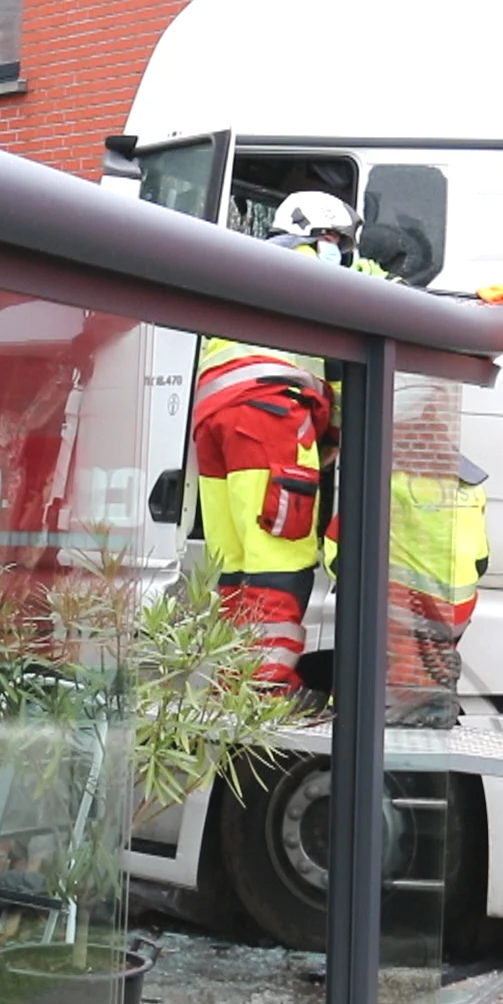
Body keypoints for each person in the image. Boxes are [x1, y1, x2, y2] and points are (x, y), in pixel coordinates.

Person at [191, 190, 375, 695]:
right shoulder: (315, 272)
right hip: (270, 414)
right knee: (280, 551)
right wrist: (335, 432)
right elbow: (341, 363)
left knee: (235, 560)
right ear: (326, 234)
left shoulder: (246, 268)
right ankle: (267, 687)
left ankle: (235, 677)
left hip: (213, 420)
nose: (342, 249)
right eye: (340, 240)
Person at [322, 379, 491, 728]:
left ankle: (352, 713)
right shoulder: (468, 483)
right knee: (433, 659)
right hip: (458, 606)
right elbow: (481, 560)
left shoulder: (386, 478)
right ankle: (435, 705)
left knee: (373, 642)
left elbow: (339, 549)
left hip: (407, 604)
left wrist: (347, 579)